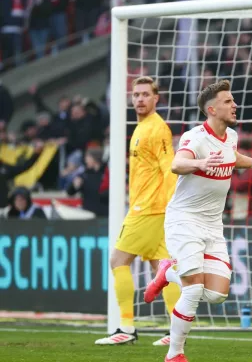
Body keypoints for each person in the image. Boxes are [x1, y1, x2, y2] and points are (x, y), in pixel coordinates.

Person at [143, 79, 252, 362]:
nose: (235, 104)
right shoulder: (195, 138)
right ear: (212, 110)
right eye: (228, 101)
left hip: (213, 226)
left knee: (217, 294)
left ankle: (167, 272)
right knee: (192, 291)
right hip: (184, 221)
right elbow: (177, 164)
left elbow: (230, 156)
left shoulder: (232, 136)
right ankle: (174, 354)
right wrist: (199, 164)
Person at [95, 76, 180, 346]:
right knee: (162, 269)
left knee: (118, 261)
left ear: (156, 98)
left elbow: (170, 170)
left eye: (145, 94)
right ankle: (176, 330)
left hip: (149, 209)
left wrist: (172, 206)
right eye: (136, 95)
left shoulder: (158, 129)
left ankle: (127, 328)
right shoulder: (141, 128)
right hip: (153, 209)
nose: (140, 99)